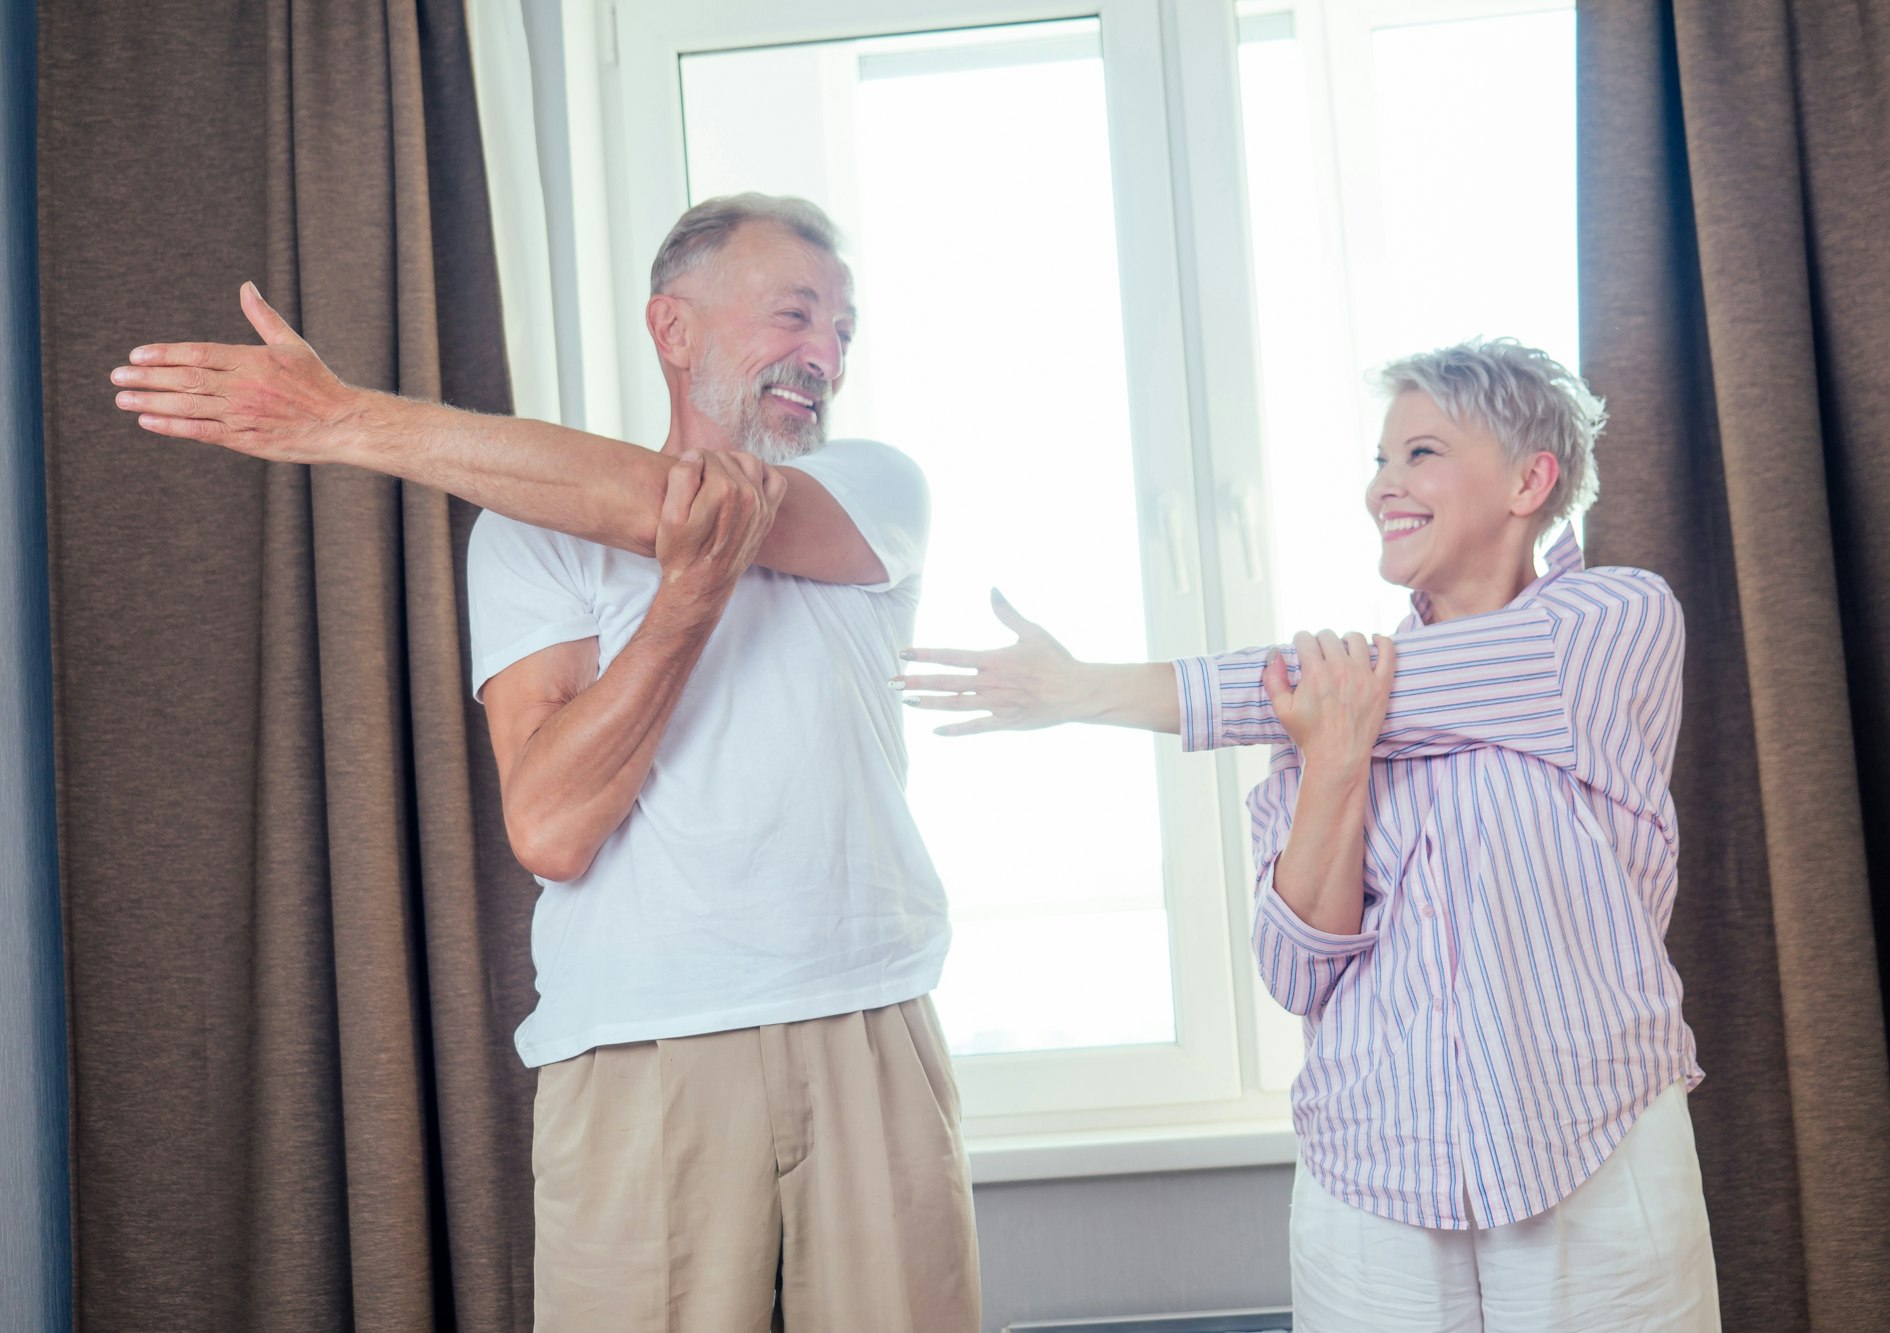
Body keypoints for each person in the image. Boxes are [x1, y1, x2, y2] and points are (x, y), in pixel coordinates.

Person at [110, 194, 979, 1332]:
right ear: (672, 329)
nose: (823, 355)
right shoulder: (522, 538)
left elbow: (694, 508)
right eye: (794, 315)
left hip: (871, 1029)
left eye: (842, 333)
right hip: (638, 1050)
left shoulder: (876, 488)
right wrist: (682, 606)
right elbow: (552, 830)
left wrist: (344, 423)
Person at [898, 339, 1720, 1331]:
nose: (1382, 487)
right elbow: (1297, 973)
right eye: (1377, 460)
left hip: (1591, 1142)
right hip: (1372, 1175)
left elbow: (1366, 687)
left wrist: (1089, 689)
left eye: (1419, 452)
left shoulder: (1610, 622)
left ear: (1528, 479)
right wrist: (1331, 764)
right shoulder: (1319, 716)